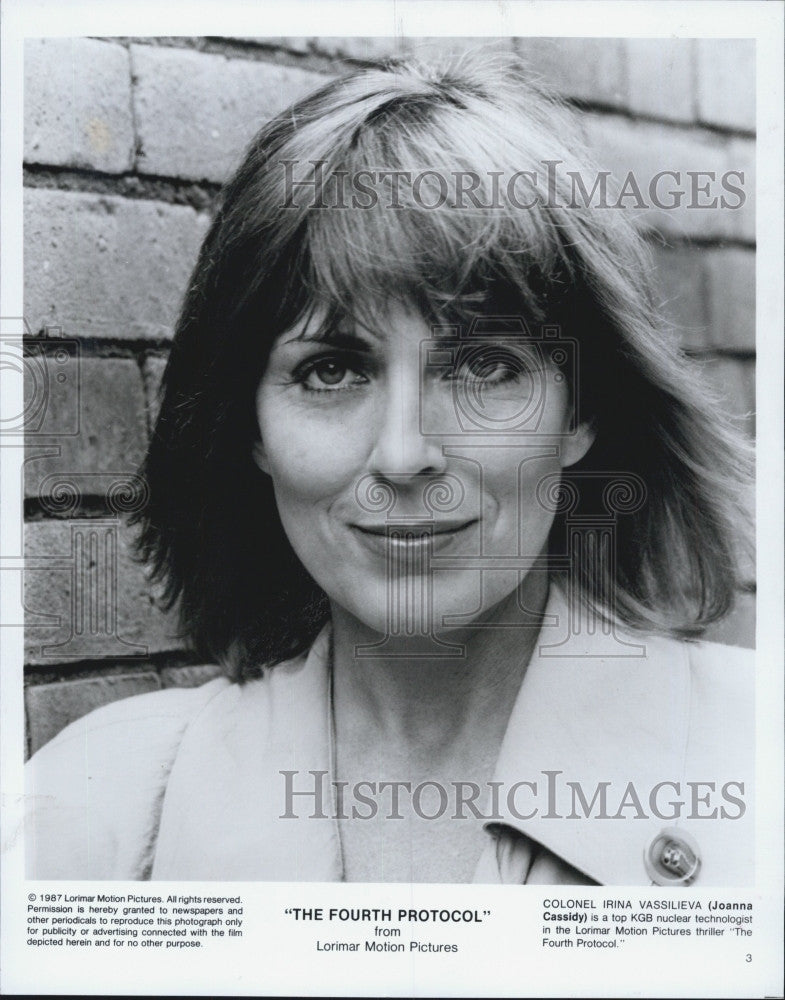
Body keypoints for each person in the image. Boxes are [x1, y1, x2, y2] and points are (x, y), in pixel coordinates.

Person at [25, 50, 754, 885]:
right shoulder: (98, 816)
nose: (403, 455)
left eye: (483, 368)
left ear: (581, 412)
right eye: (331, 371)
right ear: (252, 428)